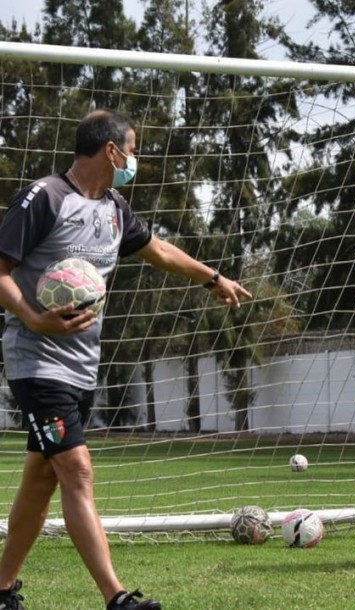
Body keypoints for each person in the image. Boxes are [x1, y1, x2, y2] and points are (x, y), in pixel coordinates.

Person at [0, 109, 252, 609]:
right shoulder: (45, 197)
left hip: (81, 365)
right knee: (77, 470)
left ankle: (1, 588)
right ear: (111, 151)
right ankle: (117, 598)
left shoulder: (115, 208)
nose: (135, 160)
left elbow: (158, 250)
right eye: (132, 150)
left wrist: (212, 278)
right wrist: (33, 317)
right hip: (36, 361)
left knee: (42, 478)